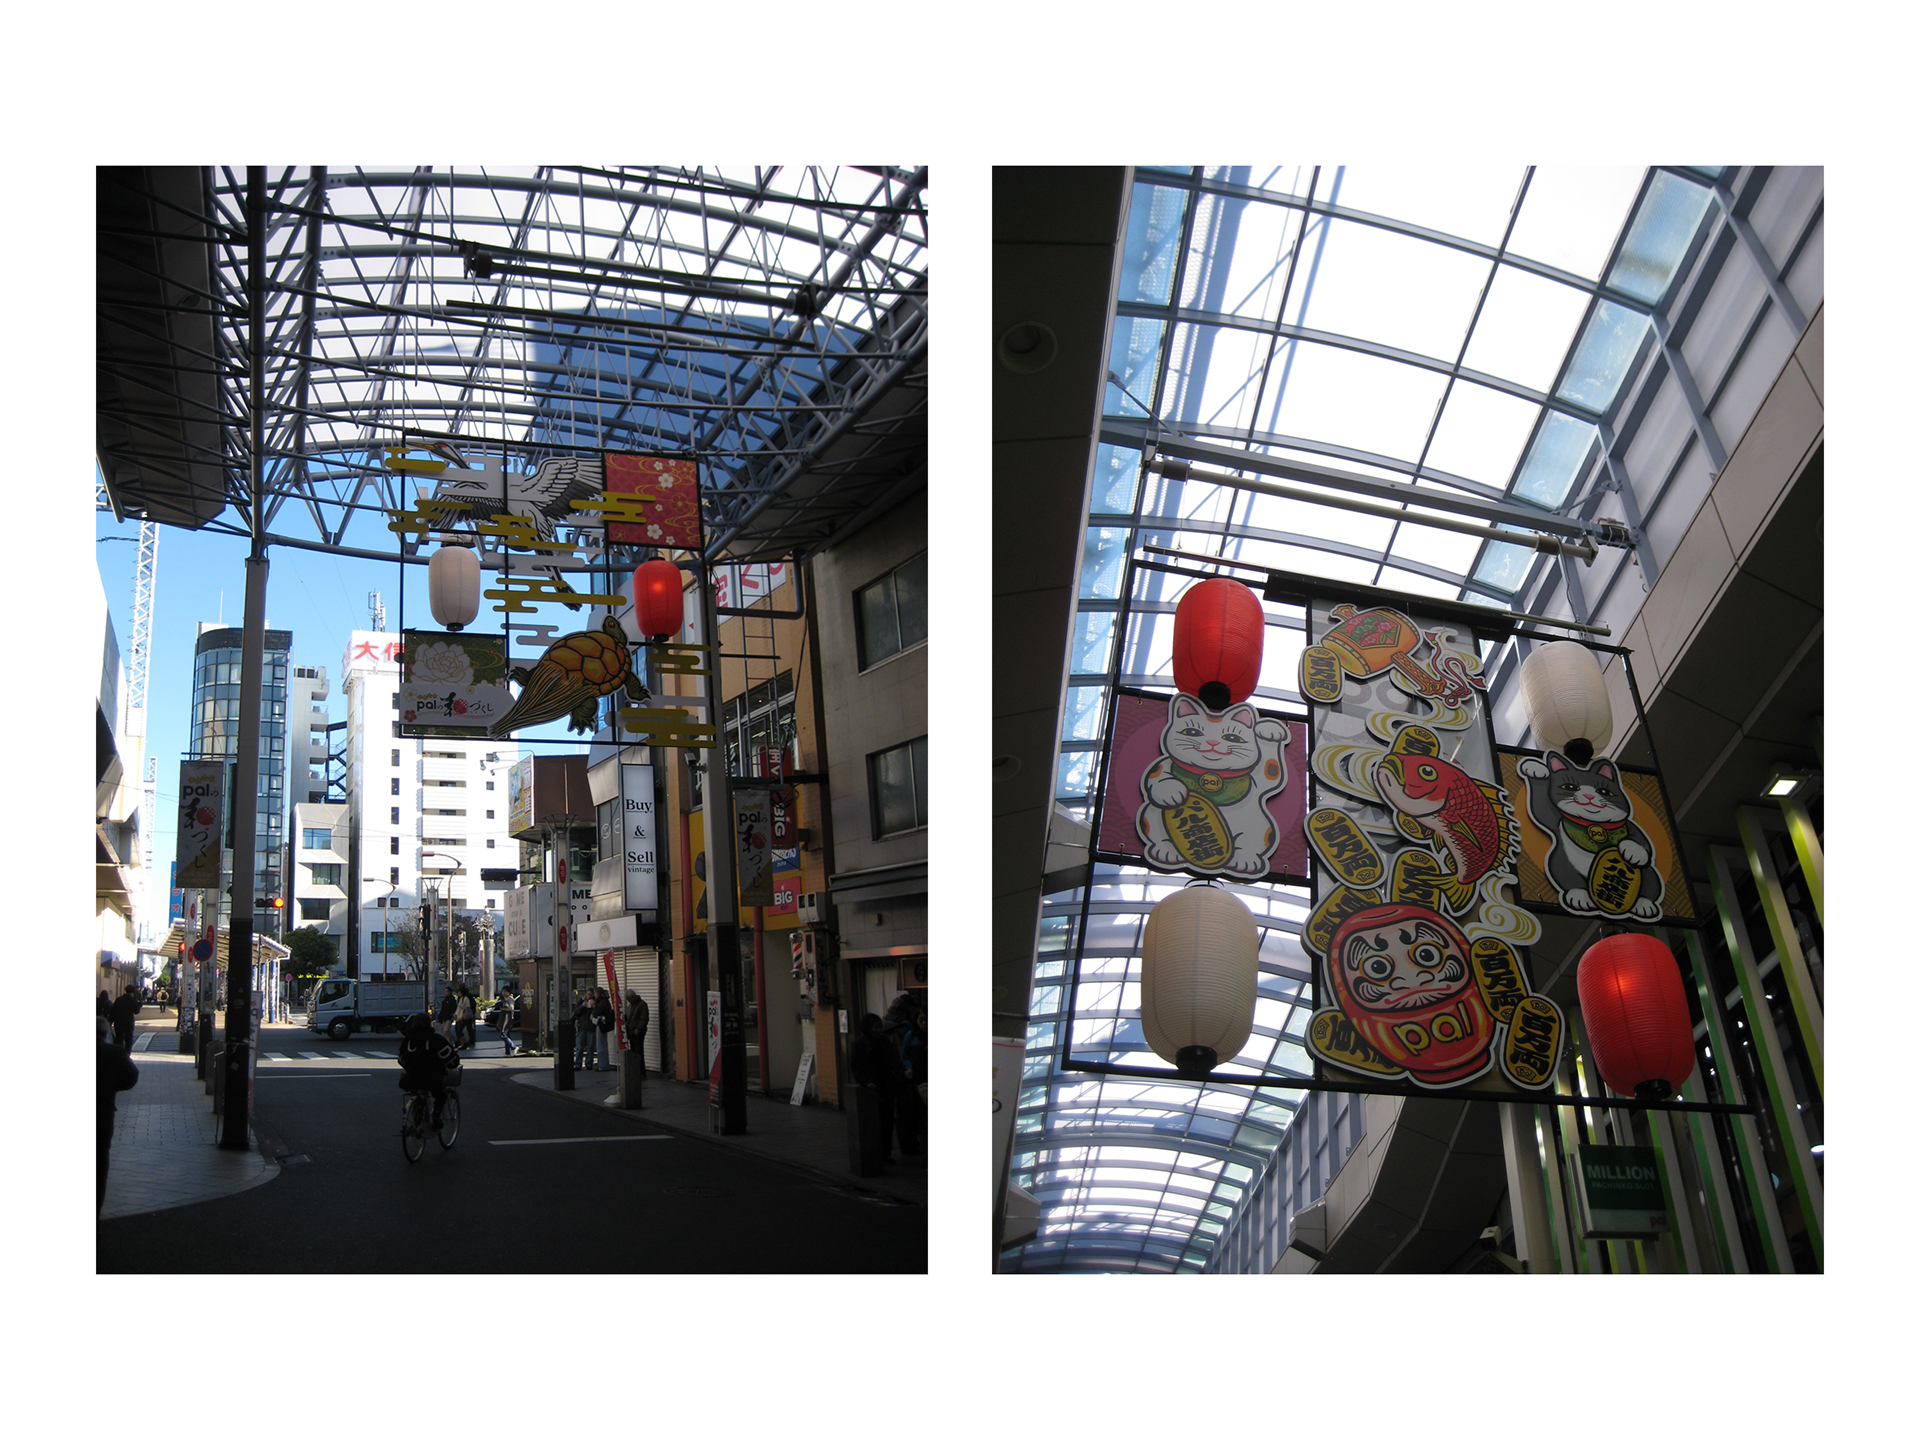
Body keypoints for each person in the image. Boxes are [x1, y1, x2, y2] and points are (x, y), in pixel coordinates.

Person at [98, 1017, 139, 1212]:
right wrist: (113, 1087)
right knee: (99, 1163)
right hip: (103, 1112)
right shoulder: (115, 1052)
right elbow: (132, 1076)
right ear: (106, 1033)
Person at [850, 1013, 901, 1162]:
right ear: (868, 1028)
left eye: (880, 1027)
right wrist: (866, 1082)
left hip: (885, 1086)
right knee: (874, 1123)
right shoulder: (859, 1044)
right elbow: (856, 1068)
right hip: (871, 1089)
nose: (878, 1030)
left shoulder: (884, 1041)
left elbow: (894, 1060)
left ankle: (885, 1153)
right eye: (875, 1028)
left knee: (887, 1122)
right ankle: (877, 1154)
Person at [396, 1012, 460, 1130]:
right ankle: (436, 1117)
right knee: (440, 1095)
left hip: (412, 1079)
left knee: (416, 1093)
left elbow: (401, 1059)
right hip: (431, 1079)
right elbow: (451, 1060)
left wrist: (410, 1068)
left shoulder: (408, 1041)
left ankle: (416, 1115)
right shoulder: (435, 1040)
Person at [109, 986, 141, 1052]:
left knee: (119, 1039)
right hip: (128, 1023)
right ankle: (127, 1054)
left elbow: (113, 1011)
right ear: (133, 992)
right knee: (128, 1039)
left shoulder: (119, 999)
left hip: (118, 1022)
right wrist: (139, 1005)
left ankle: (119, 1053)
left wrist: (110, 1022)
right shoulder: (132, 1000)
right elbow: (136, 1011)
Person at [590, 987, 616, 1072]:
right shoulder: (605, 1001)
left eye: (595, 993)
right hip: (604, 1024)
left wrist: (594, 1007)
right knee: (602, 1044)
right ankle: (603, 1064)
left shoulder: (602, 1003)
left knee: (601, 1045)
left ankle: (603, 1065)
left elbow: (597, 1012)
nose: (594, 995)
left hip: (601, 1024)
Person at [572, 991, 596, 1070]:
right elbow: (575, 1012)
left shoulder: (594, 1002)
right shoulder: (581, 1001)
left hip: (590, 1027)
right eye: (588, 994)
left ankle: (589, 1063)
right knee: (580, 1046)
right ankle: (578, 1063)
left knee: (590, 1046)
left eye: (591, 995)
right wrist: (582, 1006)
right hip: (581, 1026)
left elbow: (596, 1013)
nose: (589, 996)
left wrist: (593, 1006)